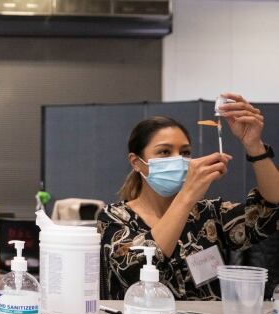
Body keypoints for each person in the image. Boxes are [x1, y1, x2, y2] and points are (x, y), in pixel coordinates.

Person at [98, 93, 279, 300]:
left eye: (185, 153)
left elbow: (270, 210)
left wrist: (254, 145)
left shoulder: (208, 214)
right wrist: (186, 196)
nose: (178, 160)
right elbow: (134, 271)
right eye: (164, 152)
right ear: (136, 162)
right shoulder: (114, 218)